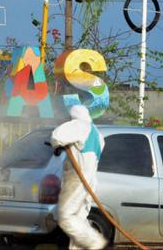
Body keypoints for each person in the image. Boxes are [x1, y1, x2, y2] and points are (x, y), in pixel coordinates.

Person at [50, 104, 108, 249]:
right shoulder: (97, 133)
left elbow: (57, 136)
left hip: (78, 178)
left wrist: (56, 145)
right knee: (79, 218)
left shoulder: (79, 125)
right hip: (90, 180)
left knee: (65, 217)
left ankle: (94, 241)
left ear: (73, 115)